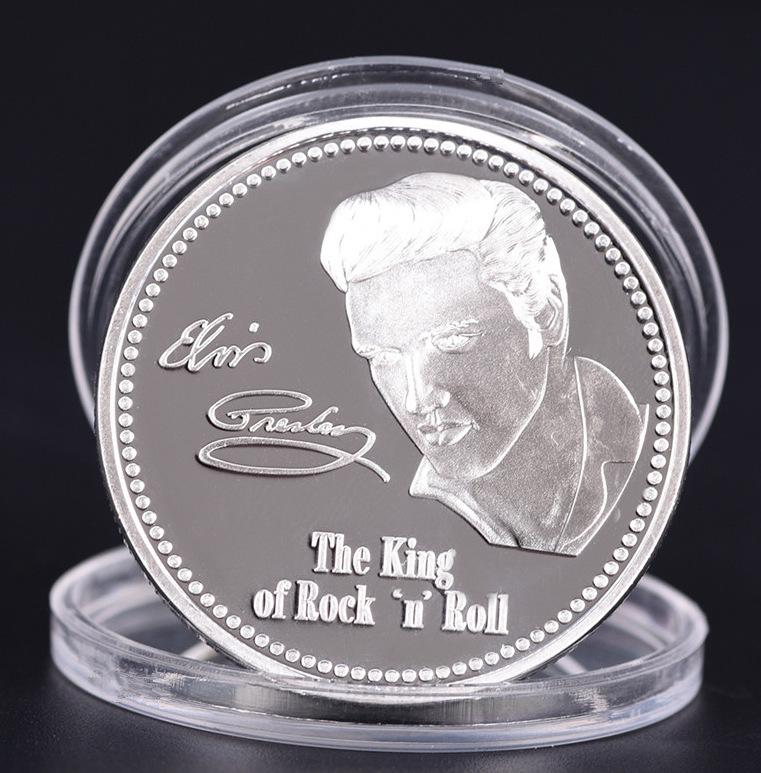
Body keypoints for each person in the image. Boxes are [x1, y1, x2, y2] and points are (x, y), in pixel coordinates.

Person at [320, 172, 647, 555]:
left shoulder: (639, 447)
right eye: (382, 357)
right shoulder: (392, 524)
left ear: (548, 312)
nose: (417, 399)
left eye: (452, 340)